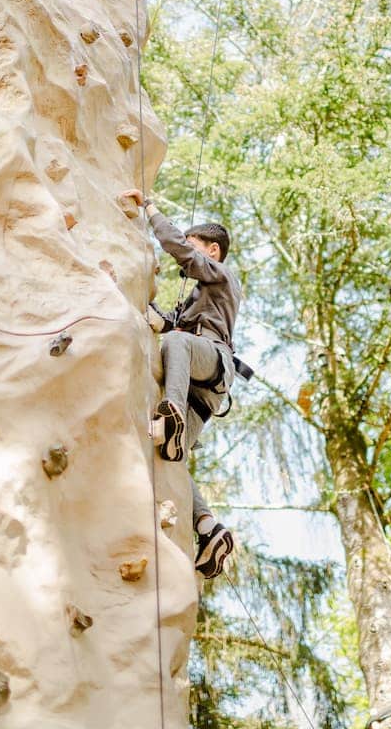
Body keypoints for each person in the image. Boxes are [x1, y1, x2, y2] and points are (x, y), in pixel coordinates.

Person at [120, 188, 242, 578]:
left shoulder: (222, 277)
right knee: (171, 462)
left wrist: (150, 209)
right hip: (200, 391)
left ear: (212, 251)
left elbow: (179, 250)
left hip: (210, 361)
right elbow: (168, 323)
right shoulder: (197, 299)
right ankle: (209, 529)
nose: (186, 255)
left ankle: (169, 417)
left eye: (194, 247)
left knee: (176, 342)